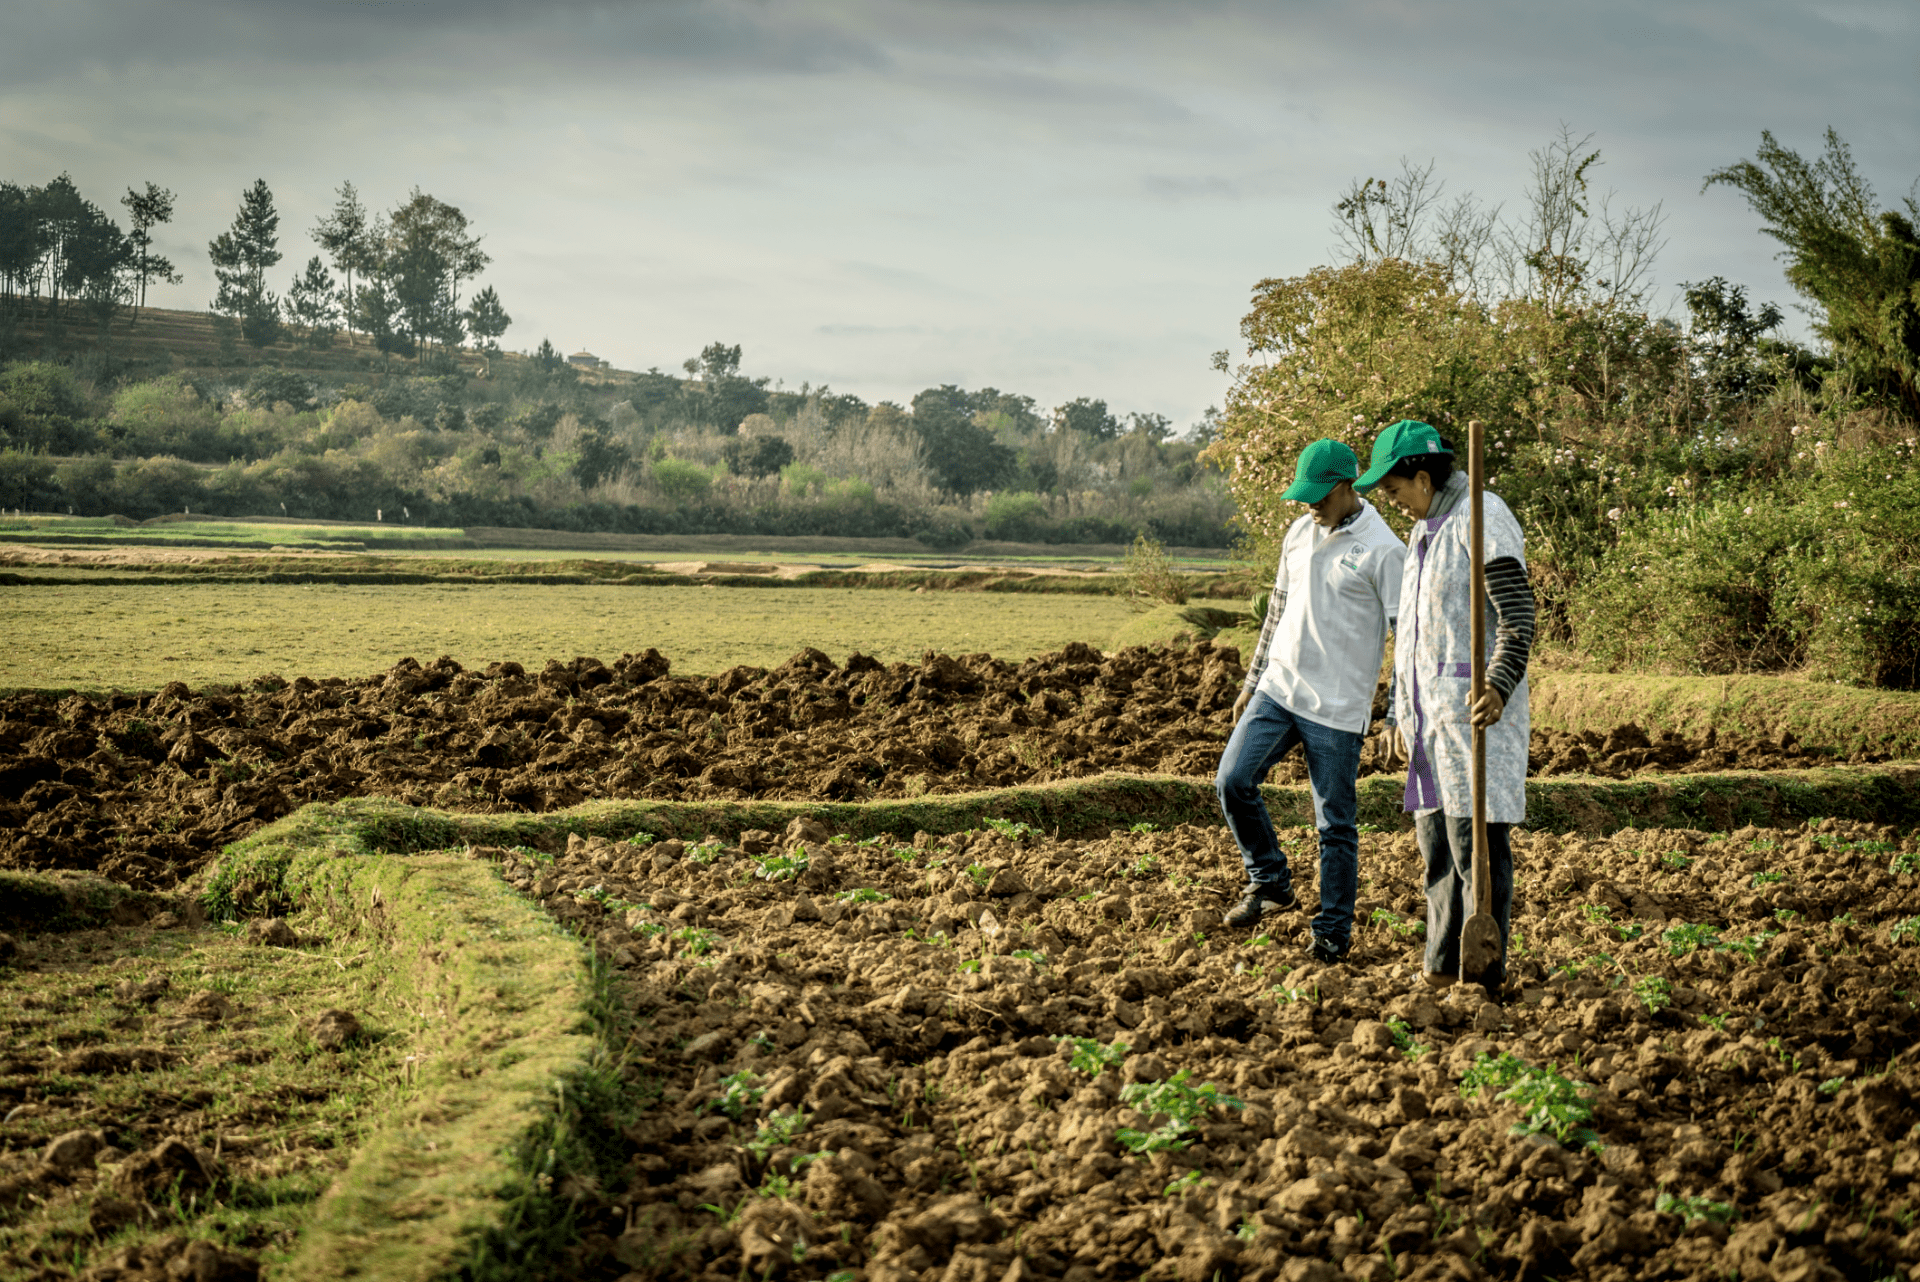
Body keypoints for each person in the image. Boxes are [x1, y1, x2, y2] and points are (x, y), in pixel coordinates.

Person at [1354, 419, 1536, 991]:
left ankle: (1481, 976)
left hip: (1470, 716)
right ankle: (1438, 969)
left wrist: (1500, 684)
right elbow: (1410, 636)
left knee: (1475, 852)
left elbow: (1517, 613)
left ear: (1424, 478)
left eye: (1395, 490)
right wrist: (1393, 713)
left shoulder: (1483, 517)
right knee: (1437, 853)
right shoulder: (1425, 532)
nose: (1395, 503)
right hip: (1428, 723)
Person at [1217, 438, 1406, 963]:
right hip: (1279, 690)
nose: (1310, 506)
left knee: (1335, 825)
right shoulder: (1300, 532)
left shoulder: (1384, 550)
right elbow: (1277, 610)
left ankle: (1332, 933)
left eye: (1319, 497)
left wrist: (1395, 715)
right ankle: (1271, 881)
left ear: (1348, 486)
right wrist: (1252, 682)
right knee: (1232, 781)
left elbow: (1405, 637)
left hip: (1338, 709)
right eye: (1305, 497)